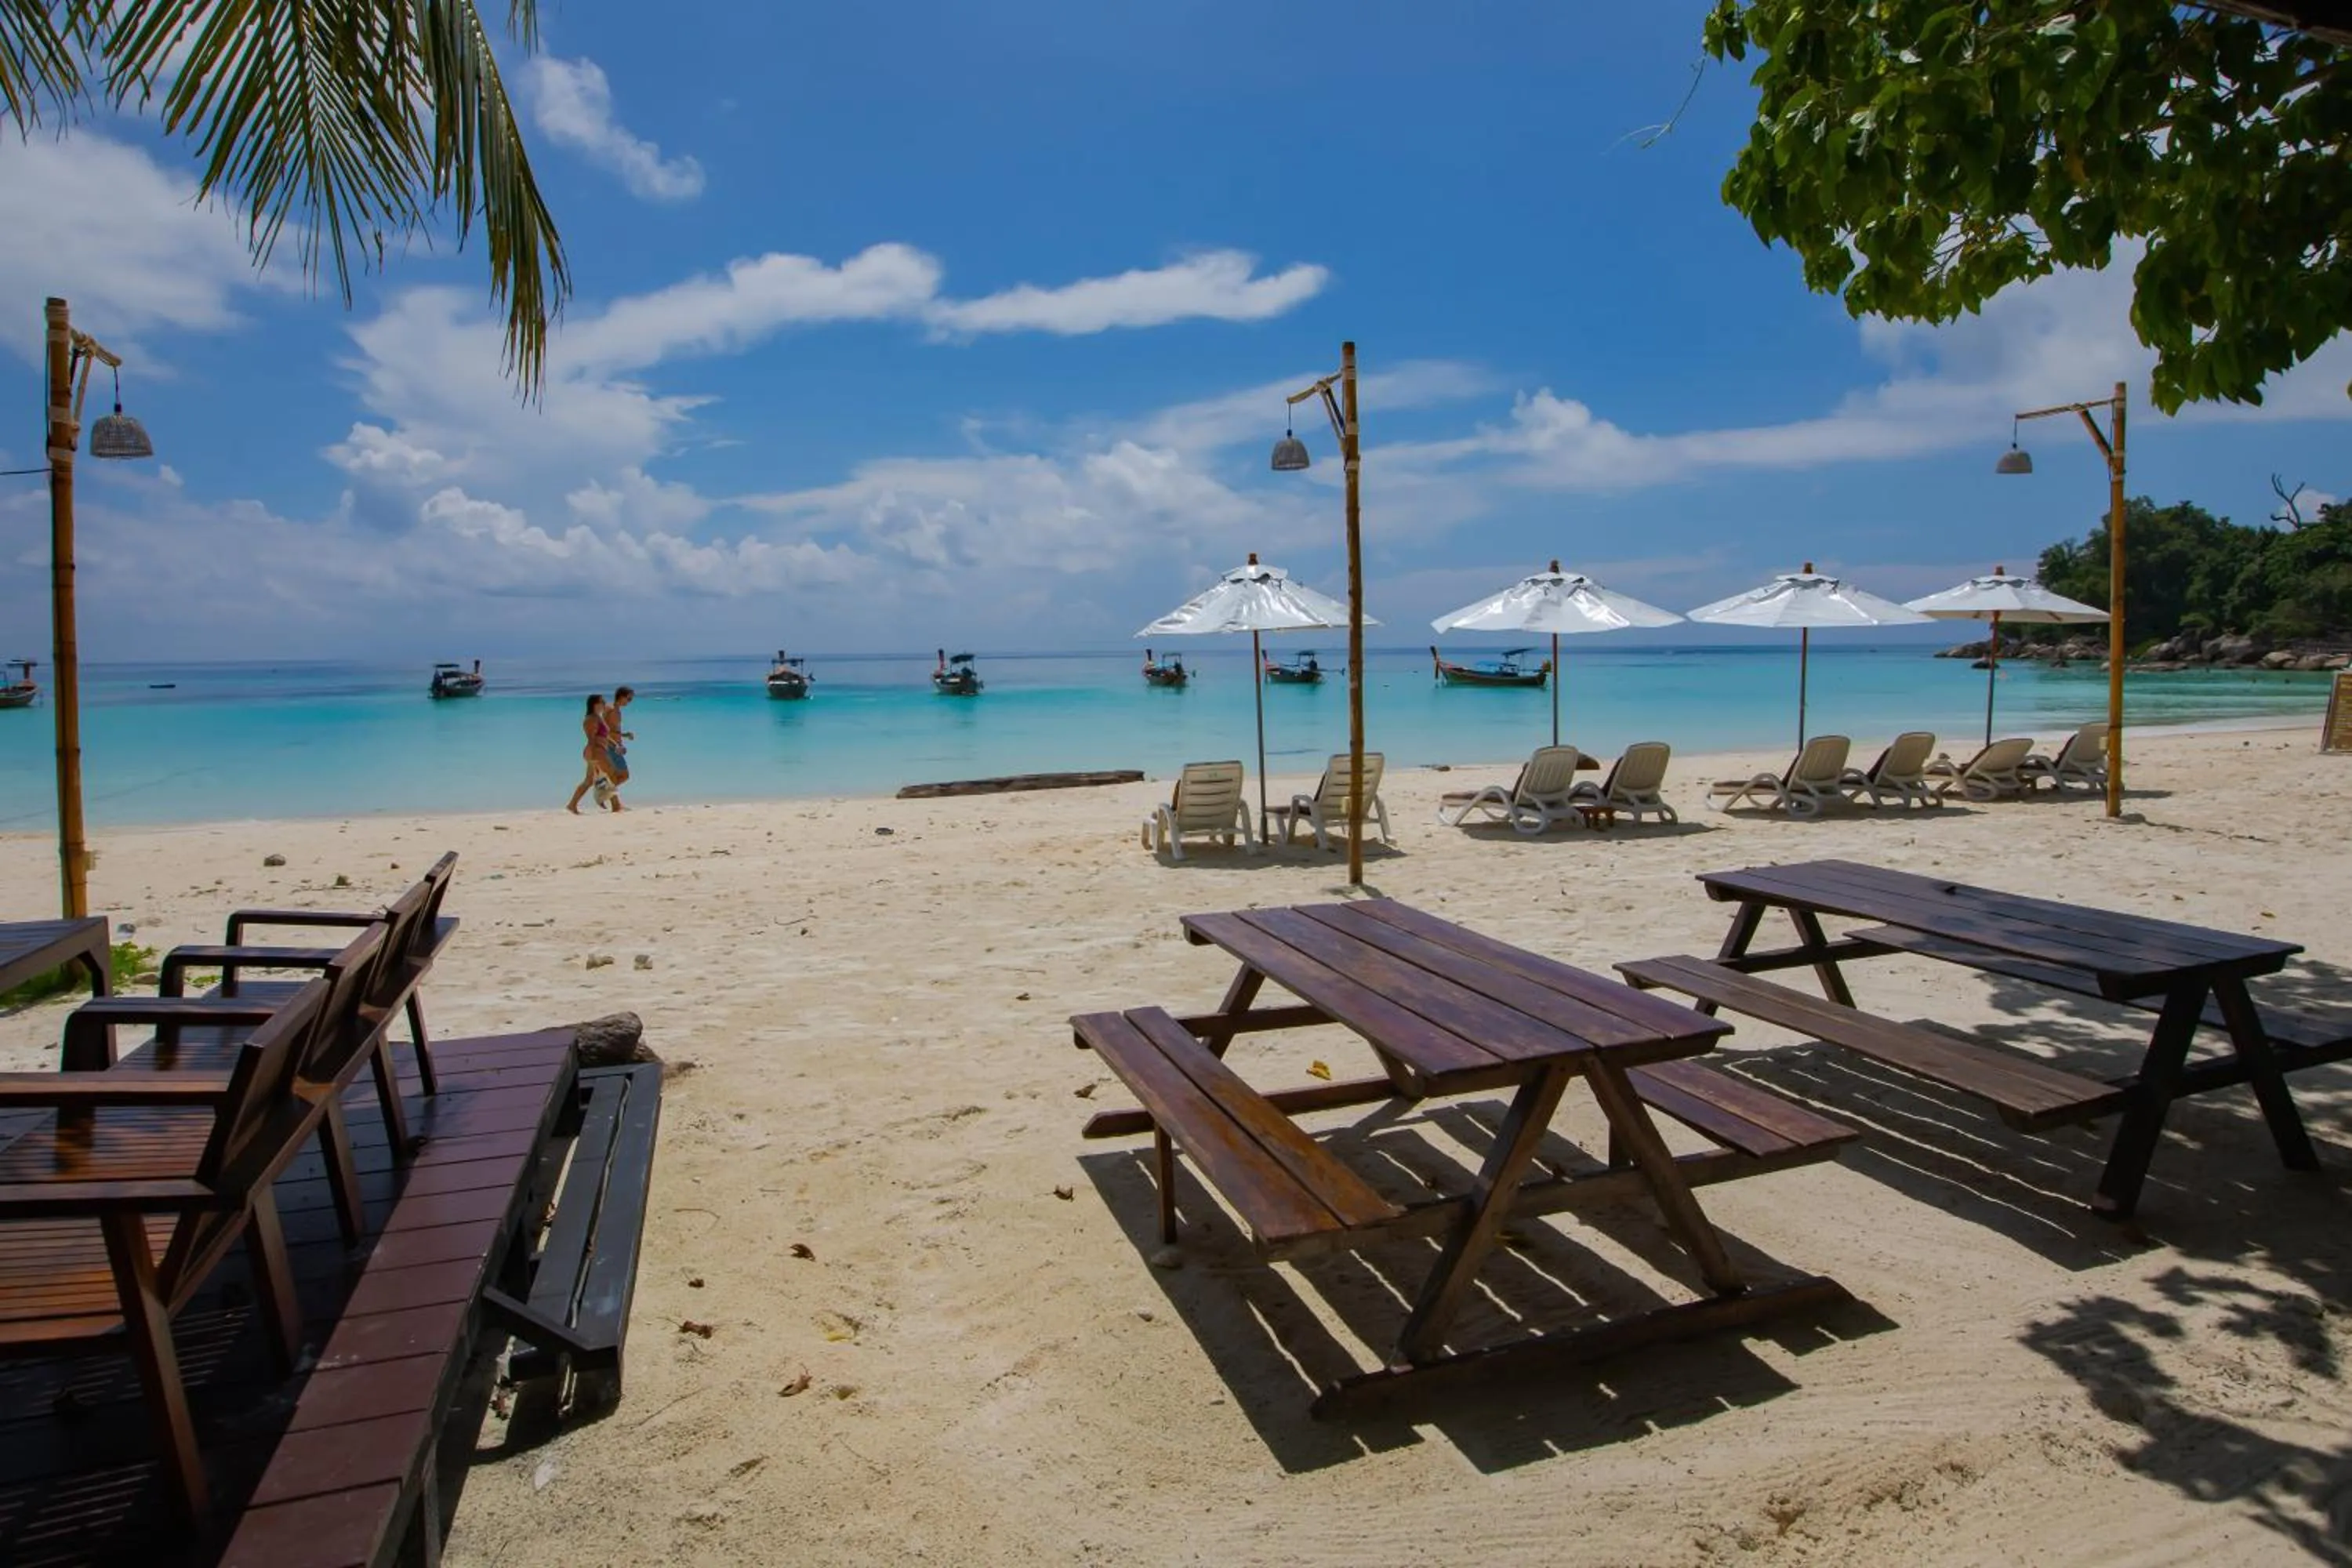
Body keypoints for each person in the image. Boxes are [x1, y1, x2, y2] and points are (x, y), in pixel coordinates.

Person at [566, 694, 617, 814]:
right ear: (595, 704)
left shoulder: (598, 717)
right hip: (596, 751)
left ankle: (572, 805)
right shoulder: (591, 719)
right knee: (611, 775)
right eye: (602, 702)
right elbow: (591, 738)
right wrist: (593, 754)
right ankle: (616, 805)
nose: (605, 704)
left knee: (589, 781)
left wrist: (615, 745)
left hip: (598, 750)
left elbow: (604, 735)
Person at [603, 686, 636, 810]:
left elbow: (612, 730)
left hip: (615, 745)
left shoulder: (616, 710)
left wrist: (624, 735)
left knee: (615, 776)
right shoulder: (610, 709)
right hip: (610, 746)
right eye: (629, 699)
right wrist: (616, 744)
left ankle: (615, 804)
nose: (629, 702)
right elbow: (603, 730)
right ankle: (605, 792)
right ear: (621, 697)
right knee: (624, 775)